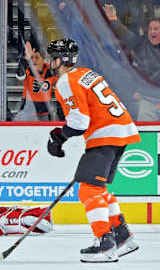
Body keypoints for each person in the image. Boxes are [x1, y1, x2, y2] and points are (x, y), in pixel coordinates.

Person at [46, 38, 140, 263]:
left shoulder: (66, 81)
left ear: (59, 60)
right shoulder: (87, 73)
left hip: (105, 134)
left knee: (88, 190)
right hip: (122, 131)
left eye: (52, 58)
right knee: (98, 189)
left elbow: (79, 122)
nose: (50, 62)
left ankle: (105, 244)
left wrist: (59, 137)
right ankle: (123, 237)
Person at [15, 40, 59, 121]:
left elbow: (62, 72)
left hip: (45, 112)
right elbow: (20, 77)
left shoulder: (49, 71)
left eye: (37, 57)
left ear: (43, 59)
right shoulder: (27, 70)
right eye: (32, 58)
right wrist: (25, 60)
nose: (34, 60)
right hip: (28, 110)